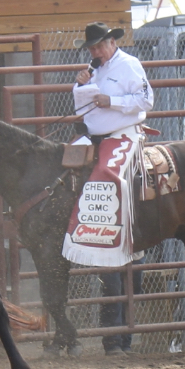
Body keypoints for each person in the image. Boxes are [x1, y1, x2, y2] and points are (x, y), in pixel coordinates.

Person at [64, 22, 153, 272]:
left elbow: (146, 100)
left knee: (105, 175)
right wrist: (81, 85)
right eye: (91, 49)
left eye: (99, 47)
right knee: (63, 167)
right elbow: (82, 107)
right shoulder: (93, 69)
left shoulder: (129, 65)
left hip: (122, 135)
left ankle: (111, 237)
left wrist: (111, 101)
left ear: (112, 43)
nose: (95, 53)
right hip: (94, 137)